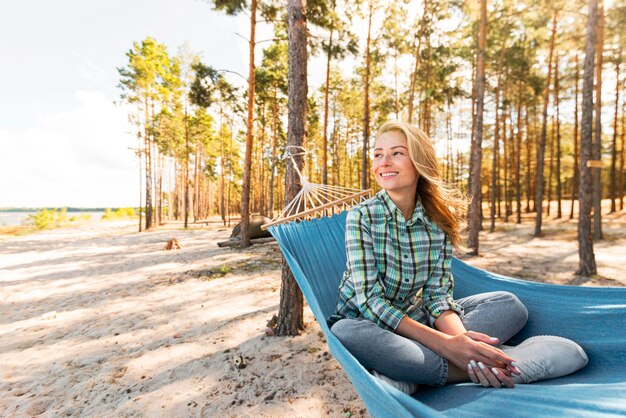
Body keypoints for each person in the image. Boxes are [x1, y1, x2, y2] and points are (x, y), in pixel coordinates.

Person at [328, 120, 588, 394]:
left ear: (419, 161)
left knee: (508, 305)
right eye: (378, 154)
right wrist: (446, 345)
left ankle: (412, 375)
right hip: (371, 326)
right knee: (345, 331)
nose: (384, 162)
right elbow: (369, 301)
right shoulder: (362, 217)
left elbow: (436, 297)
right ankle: (497, 368)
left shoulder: (436, 221)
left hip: (416, 322)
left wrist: (461, 340)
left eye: (397, 153)